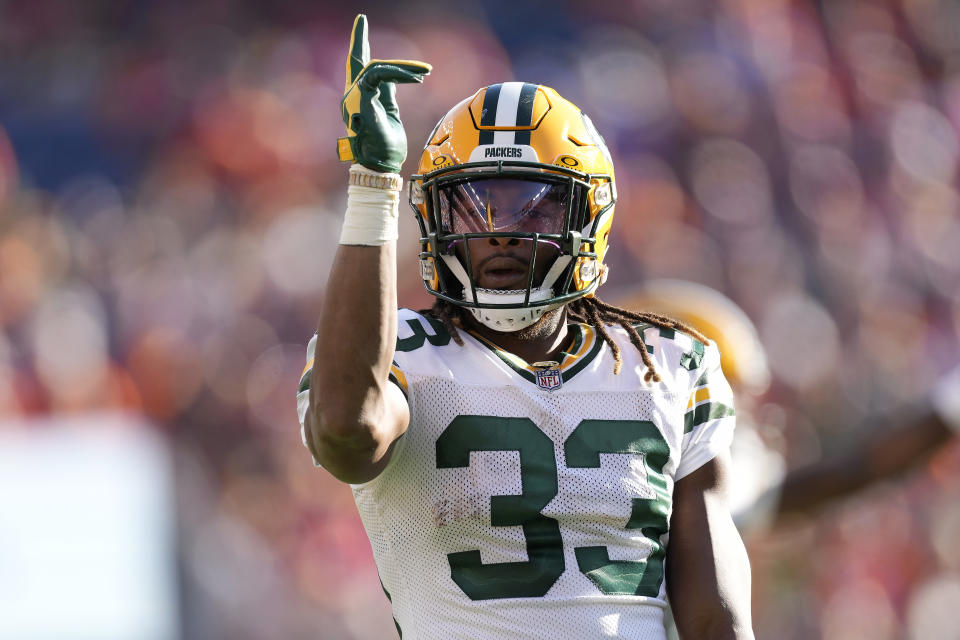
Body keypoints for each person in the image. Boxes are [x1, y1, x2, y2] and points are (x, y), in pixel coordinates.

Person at [297, 15, 754, 640]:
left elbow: (716, 618)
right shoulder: (397, 352)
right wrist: (374, 185)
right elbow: (347, 437)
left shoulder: (671, 364)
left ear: (590, 215)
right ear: (433, 217)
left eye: (534, 203)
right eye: (474, 204)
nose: (502, 229)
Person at [610, 279, 960, 532]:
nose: (751, 418)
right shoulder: (669, 496)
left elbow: (854, 472)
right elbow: (854, 472)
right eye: (734, 398)